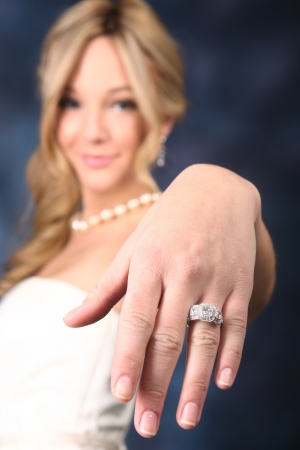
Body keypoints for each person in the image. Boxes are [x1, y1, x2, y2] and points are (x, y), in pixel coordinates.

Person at [0, 0, 275, 448]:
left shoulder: (174, 228)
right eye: (72, 102)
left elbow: (255, 281)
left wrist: (228, 192)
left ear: (161, 116)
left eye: (121, 104)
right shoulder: (57, 236)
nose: (92, 130)